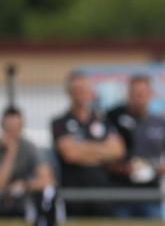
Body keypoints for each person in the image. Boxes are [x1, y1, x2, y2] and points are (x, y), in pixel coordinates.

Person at [51, 71, 125, 217]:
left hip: (103, 194)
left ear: (90, 92)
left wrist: (83, 148)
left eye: (83, 90)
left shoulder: (102, 120)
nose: (80, 94)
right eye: (76, 90)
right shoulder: (60, 122)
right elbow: (70, 154)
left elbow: (118, 151)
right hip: (74, 196)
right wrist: (102, 150)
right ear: (69, 93)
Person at [106, 74, 165, 218]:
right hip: (121, 194)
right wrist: (123, 169)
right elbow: (104, 157)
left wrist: (159, 170)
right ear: (128, 94)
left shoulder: (161, 123)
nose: (138, 97)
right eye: (135, 93)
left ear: (150, 94)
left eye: (142, 93)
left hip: (151, 194)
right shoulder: (113, 118)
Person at [0, 106, 54, 217]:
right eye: (9, 129)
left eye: (16, 129)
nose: (13, 134)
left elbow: (47, 180)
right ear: (1, 127)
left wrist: (25, 185)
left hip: (16, 210)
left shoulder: (29, 147)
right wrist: (11, 152)